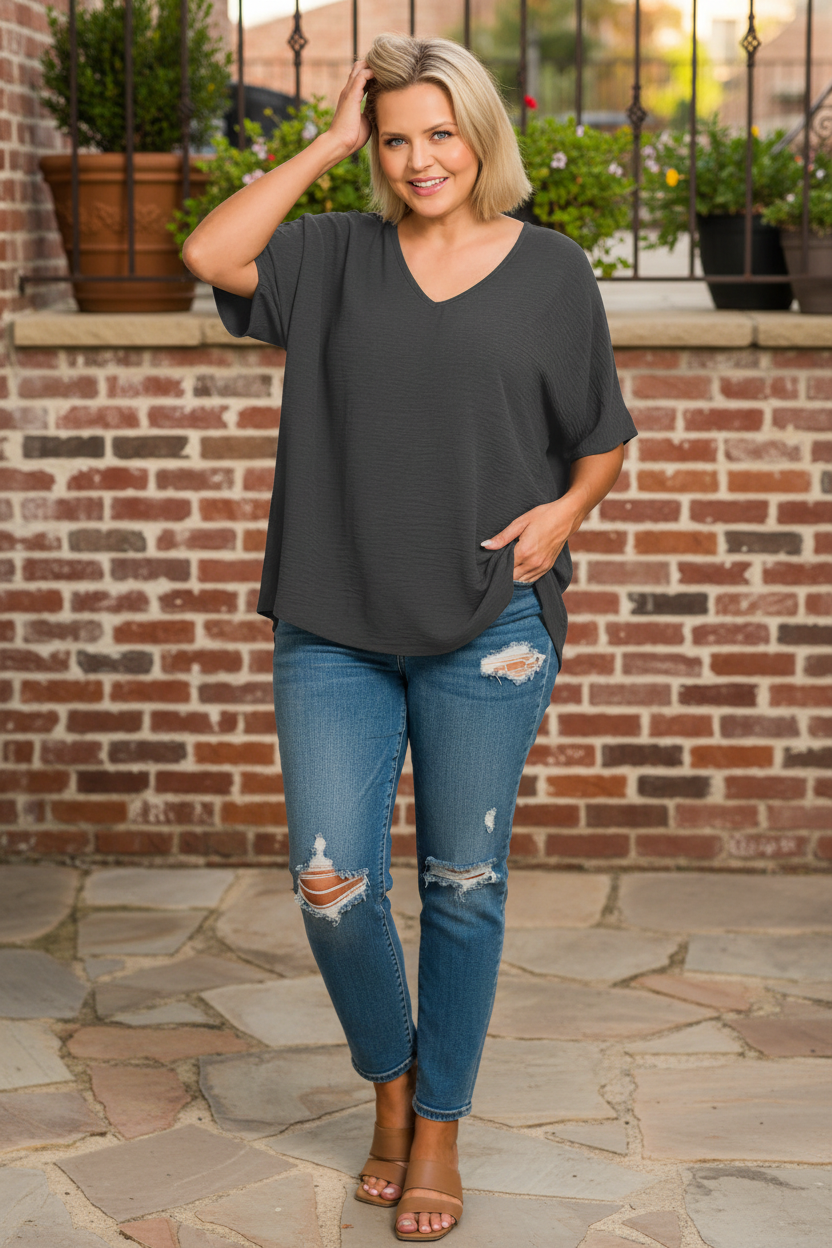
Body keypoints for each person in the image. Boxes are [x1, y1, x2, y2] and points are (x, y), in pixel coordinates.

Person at [184, 31, 637, 1243]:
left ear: (482, 134)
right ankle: (388, 1088)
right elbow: (208, 252)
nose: (419, 157)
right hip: (332, 622)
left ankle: (437, 1126)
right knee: (332, 886)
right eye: (396, 138)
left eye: (440, 132)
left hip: (489, 625)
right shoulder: (331, 256)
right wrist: (326, 142)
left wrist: (564, 512)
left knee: (463, 887)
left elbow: (599, 432)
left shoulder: (549, 270)